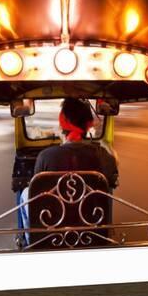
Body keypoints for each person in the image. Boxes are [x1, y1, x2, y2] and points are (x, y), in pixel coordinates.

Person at [19, 98, 119, 242]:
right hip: (90, 227)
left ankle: (32, 240)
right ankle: (105, 232)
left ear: (62, 124)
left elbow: (37, 193)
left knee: (26, 192)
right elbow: (112, 179)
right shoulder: (102, 155)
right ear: (88, 125)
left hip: (53, 226)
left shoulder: (45, 156)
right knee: (106, 188)